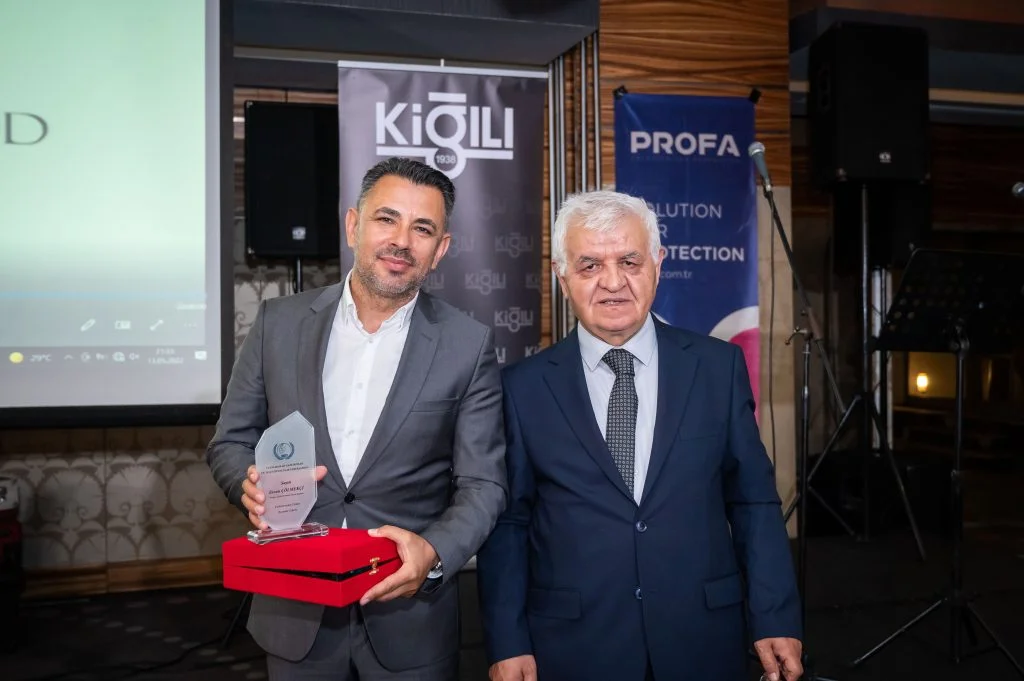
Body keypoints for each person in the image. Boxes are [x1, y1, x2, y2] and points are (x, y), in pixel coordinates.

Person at [475, 190, 803, 681]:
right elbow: (509, 525)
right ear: (562, 277)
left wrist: (774, 614)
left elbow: (752, 501)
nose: (613, 282)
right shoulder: (521, 388)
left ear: (657, 264)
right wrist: (507, 641)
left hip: (702, 638)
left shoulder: (718, 368)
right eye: (589, 265)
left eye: (629, 261)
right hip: (573, 646)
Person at [207, 157, 507, 681]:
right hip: (295, 604)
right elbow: (230, 442)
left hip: (410, 616)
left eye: (422, 229)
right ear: (353, 225)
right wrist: (247, 486)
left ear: (440, 250)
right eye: (386, 219)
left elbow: (483, 484)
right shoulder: (278, 324)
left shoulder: (468, 344)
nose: (401, 241)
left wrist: (434, 553)